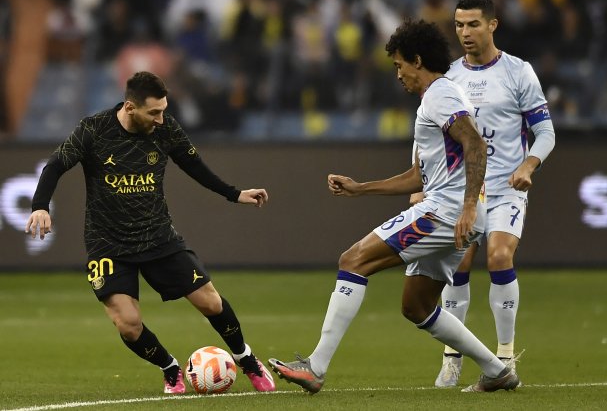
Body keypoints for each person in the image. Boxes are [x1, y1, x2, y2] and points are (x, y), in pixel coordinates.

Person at [268, 19, 519, 394]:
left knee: (353, 260)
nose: (398, 74)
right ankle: (497, 370)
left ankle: (316, 367)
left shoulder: (440, 94)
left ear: (417, 60)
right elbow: (420, 176)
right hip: (453, 210)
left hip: (445, 212)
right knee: (416, 306)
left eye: (400, 65)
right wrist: (361, 188)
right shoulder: (436, 101)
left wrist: (467, 207)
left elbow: (475, 145)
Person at [24, 71, 276, 394]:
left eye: (164, 110)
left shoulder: (166, 128)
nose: (161, 118)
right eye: (154, 112)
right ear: (130, 107)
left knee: (211, 303)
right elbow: (55, 164)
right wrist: (40, 205)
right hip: (108, 244)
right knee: (128, 325)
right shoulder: (94, 130)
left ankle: (247, 359)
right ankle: (170, 368)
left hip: (158, 236)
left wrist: (234, 193)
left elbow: (194, 165)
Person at [411, 0, 556, 387]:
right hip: (461, 188)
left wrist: (529, 164)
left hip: (507, 184)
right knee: (457, 267)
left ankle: (506, 357)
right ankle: (452, 359)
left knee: (499, 254)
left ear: (492, 25)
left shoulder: (518, 72)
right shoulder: (449, 78)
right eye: (459, 25)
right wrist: (422, 184)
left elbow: (545, 131)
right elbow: (428, 136)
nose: (464, 32)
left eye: (473, 24)